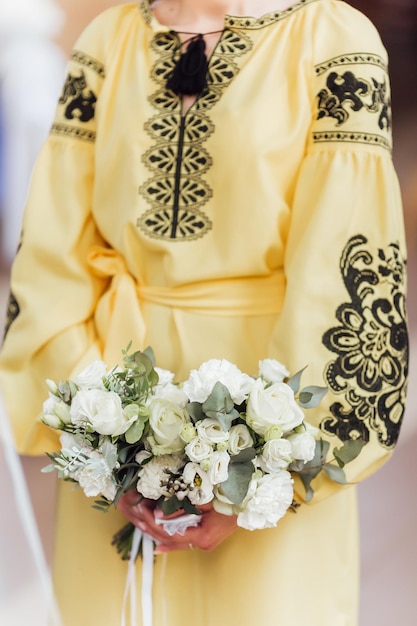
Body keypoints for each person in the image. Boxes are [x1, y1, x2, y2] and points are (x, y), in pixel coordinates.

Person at [0, 0, 408, 625]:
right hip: (110, 398)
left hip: (277, 404)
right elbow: (53, 253)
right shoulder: (107, 41)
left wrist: (271, 466)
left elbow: (347, 260)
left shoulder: (334, 39)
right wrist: (102, 440)